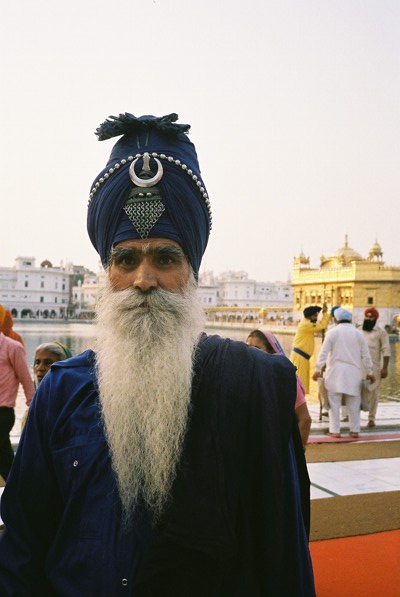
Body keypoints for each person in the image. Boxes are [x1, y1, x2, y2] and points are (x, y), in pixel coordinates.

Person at [0, 113, 315, 595]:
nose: (144, 280)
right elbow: (22, 546)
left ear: (192, 271)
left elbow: (282, 558)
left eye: (165, 258)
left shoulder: (250, 388)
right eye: (126, 260)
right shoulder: (62, 391)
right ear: (107, 274)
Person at [312, 308, 375, 438]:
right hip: (353, 374)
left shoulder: (332, 332)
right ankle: (354, 431)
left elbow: (323, 354)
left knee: (334, 404)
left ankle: (335, 431)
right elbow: (366, 355)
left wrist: (317, 370)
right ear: (350, 319)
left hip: (335, 374)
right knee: (354, 403)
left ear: (336, 319)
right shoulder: (358, 334)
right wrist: (370, 371)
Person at [246, 329, 312, 448]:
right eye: (248, 348)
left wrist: (298, 452)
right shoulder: (248, 377)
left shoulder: (286, 378)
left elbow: (305, 419)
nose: (251, 353)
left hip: (281, 446)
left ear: (270, 351)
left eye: (257, 348)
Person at [0, 305, 34, 482]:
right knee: (5, 457)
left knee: (4, 456)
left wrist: (34, 407)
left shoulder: (12, 347)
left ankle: (19, 492)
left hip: (2, 412)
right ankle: (20, 491)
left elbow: (26, 379)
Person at [20, 342, 73, 432]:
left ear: (65, 367)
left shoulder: (74, 406)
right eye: (37, 362)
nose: (40, 368)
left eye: (48, 363)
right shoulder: (33, 410)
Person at [290, 304, 330, 394]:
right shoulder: (306, 324)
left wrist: (324, 317)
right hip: (300, 357)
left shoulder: (308, 324)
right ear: (310, 316)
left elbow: (321, 328)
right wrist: (326, 314)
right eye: (315, 316)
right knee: (299, 384)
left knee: (302, 384)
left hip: (303, 358)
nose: (316, 318)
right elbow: (322, 326)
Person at [361, 308, 390, 428]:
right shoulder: (358, 331)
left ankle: (371, 418)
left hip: (374, 368)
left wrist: (385, 368)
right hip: (359, 367)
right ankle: (350, 416)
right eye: (366, 317)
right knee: (355, 392)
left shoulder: (381, 332)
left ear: (376, 318)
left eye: (371, 317)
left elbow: (386, 351)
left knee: (374, 394)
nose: (368, 319)